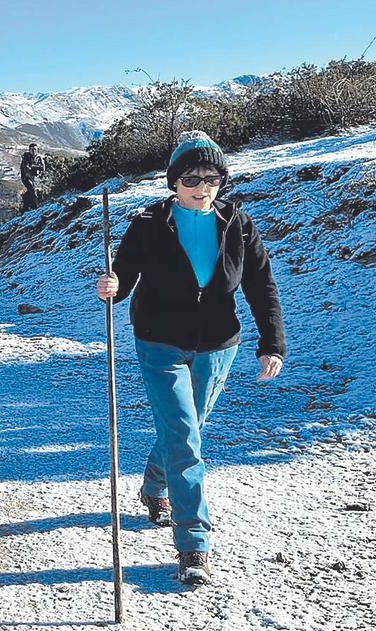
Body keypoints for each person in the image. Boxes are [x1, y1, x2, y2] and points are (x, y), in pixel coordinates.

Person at [96, 131, 286, 585]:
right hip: (159, 341)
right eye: (191, 179)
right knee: (185, 437)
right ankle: (193, 546)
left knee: (188, 429)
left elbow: (262, 286)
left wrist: (271, 343)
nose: (202, 187)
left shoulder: (238, 225)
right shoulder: (148, 224)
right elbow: (122, 272)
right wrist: (112, 286)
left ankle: (154, 487)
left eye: (212, 178)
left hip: (220, 344)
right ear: (173, 183)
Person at [20, 143, 47, 212]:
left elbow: (43, 168)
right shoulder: (26, 158)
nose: (34, 151)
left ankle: (25, 206)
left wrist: (35, 168)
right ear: (29, 150)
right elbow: (26, 168)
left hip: (32, 177)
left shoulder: (39, 158)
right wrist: (34, 169)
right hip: (25, 177)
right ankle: (35, 207)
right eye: (32, 150)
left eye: (35, 149)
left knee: (30, 191)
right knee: (32, 189)